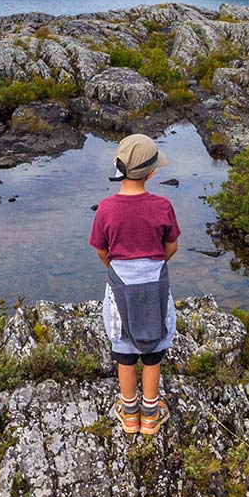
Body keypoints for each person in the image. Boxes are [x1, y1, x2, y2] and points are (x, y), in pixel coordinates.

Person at [88, 133, 180, 436]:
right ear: (152, 172)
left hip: (119, 286)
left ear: (118, 166)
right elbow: (172, 246)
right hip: (155, 284)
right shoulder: (162, 205)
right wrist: (154, 265)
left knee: (124, 351)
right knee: (153, 351)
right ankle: (151, 415)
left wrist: (116, 268)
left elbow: (101, 250)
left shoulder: (105, 208)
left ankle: (129, 414)